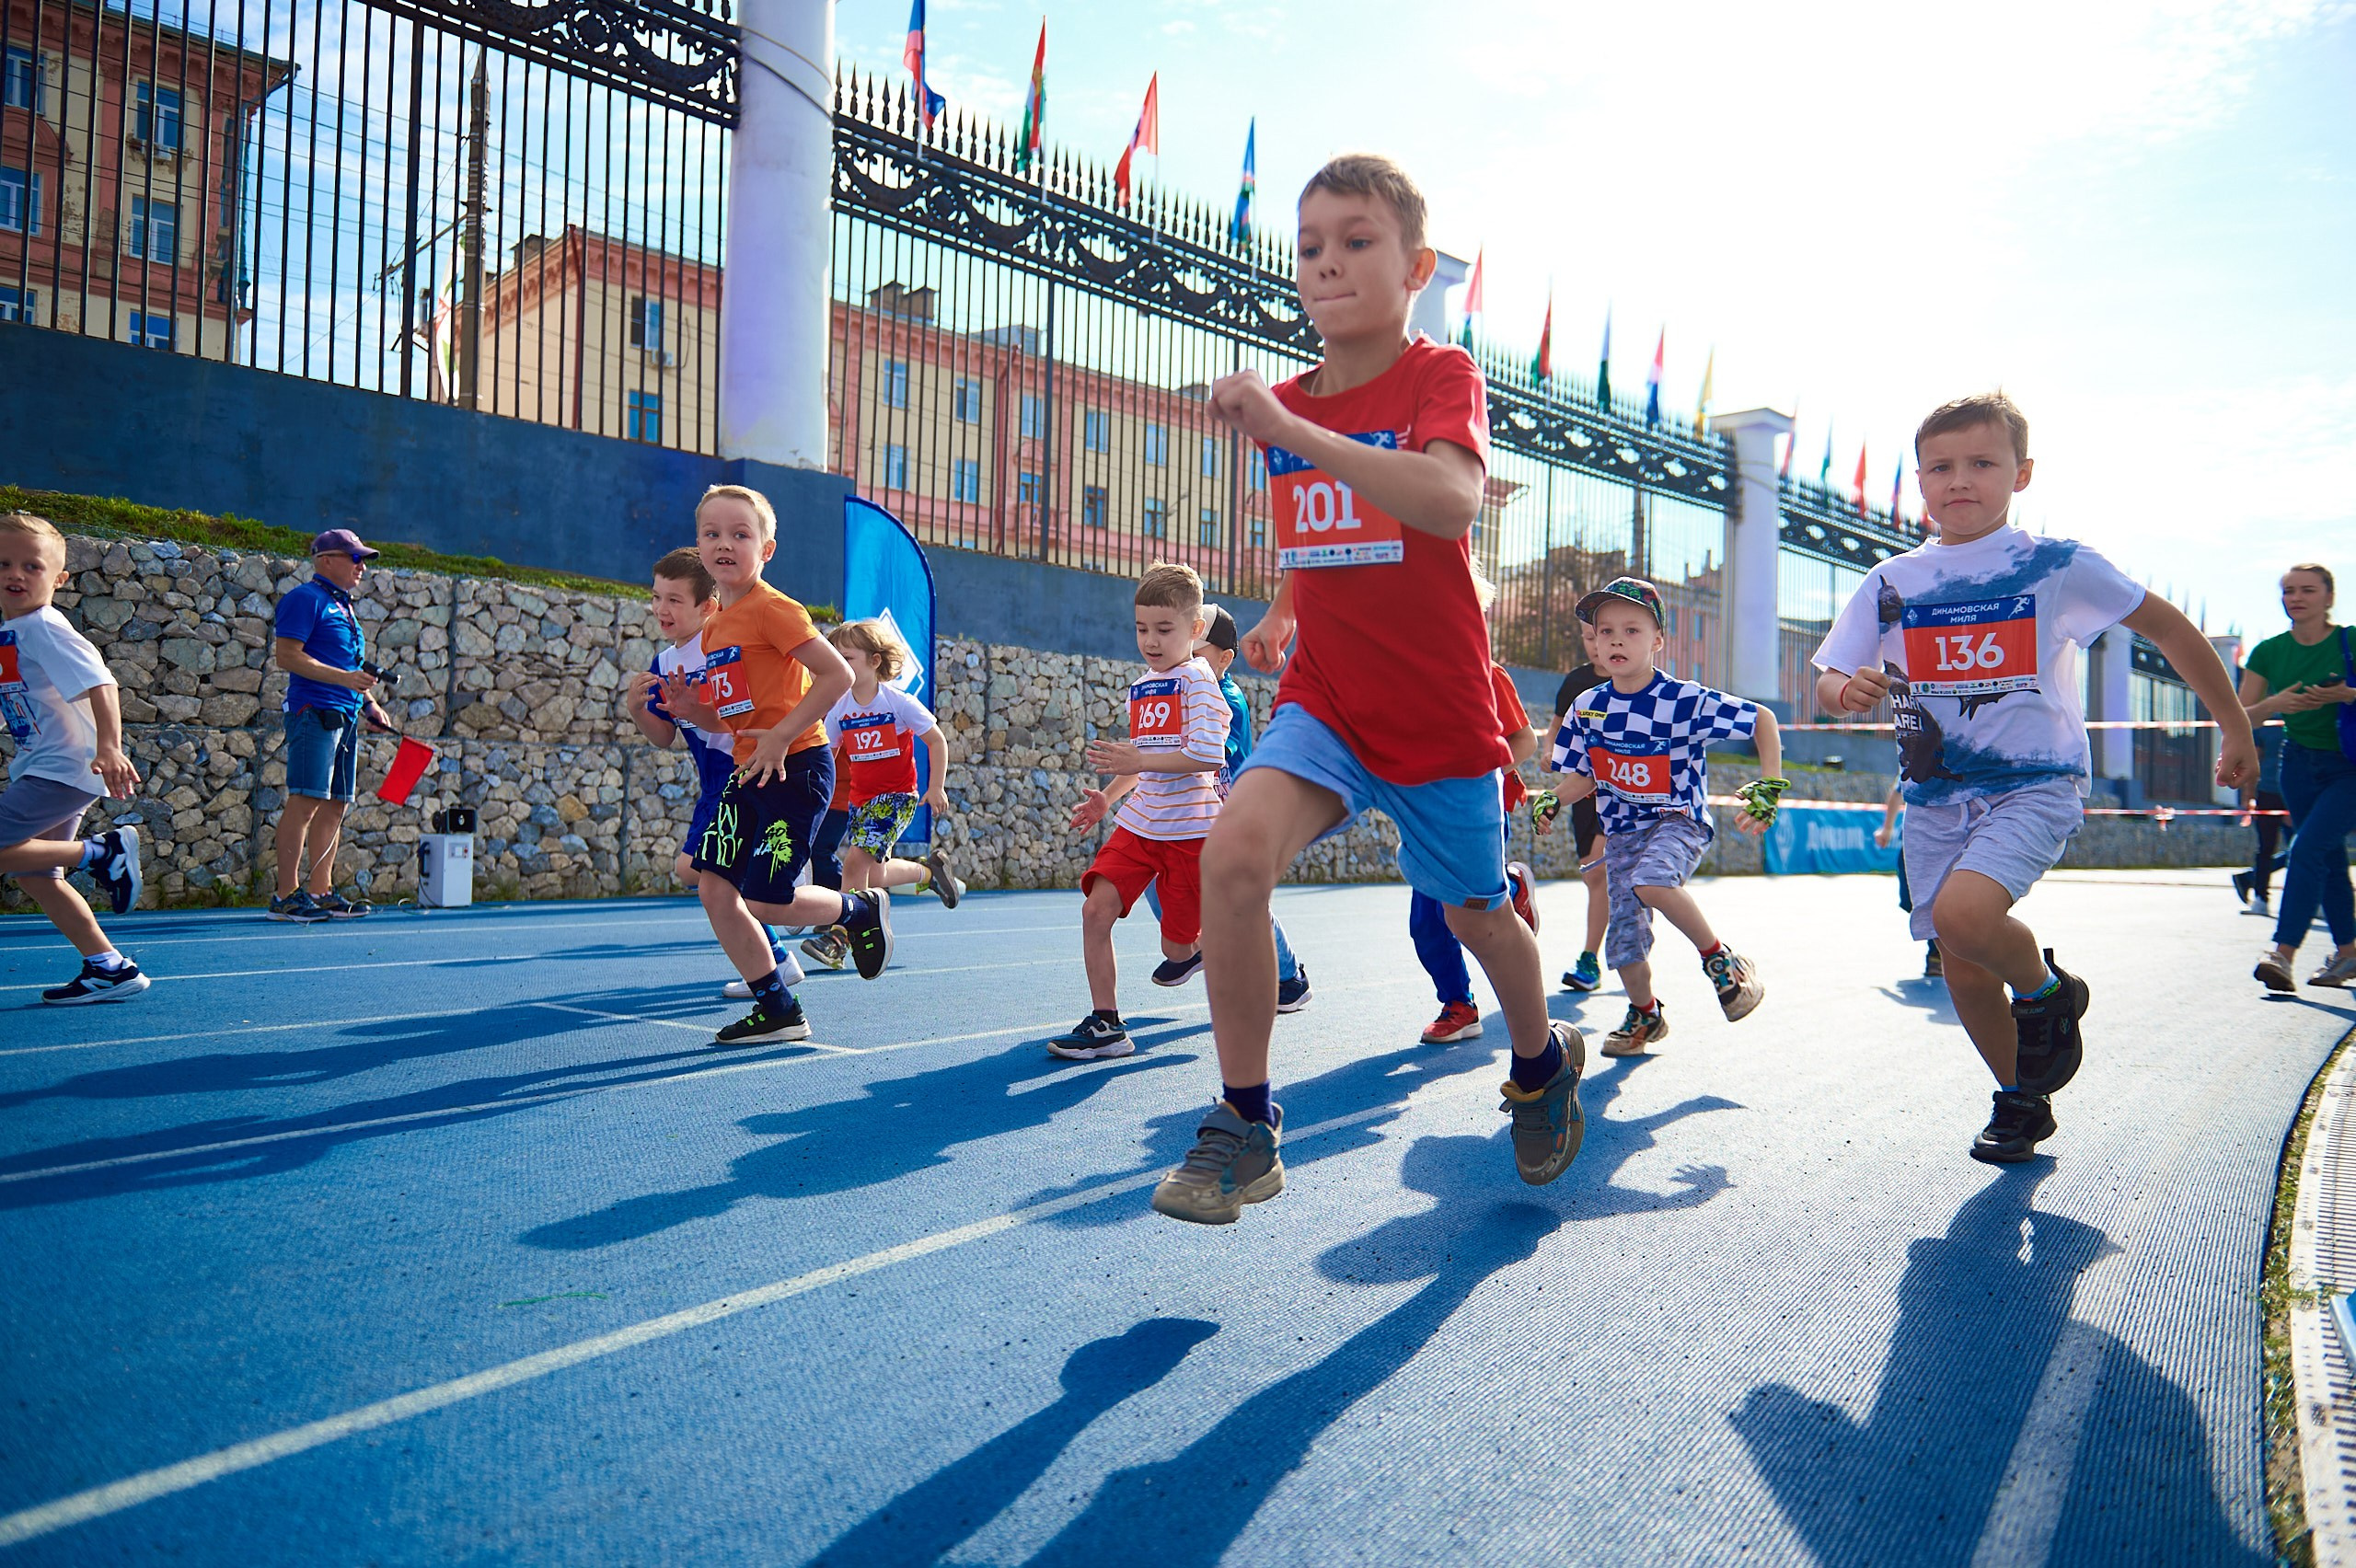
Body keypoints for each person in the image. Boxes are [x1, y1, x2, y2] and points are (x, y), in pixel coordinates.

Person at [1154, 154, 1586, 1225]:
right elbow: (1333, 529)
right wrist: (1285, 606)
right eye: (1309, 247)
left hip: (1437, 718)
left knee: (1479, 919)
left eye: (1356, 241)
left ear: (1415, 265)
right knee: (1232, 855)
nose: (1327, 263)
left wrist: (1293, 433)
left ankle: (1541, 1062)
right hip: (1326, 702)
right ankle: (1244, 1122)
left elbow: (1442, 501)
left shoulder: (1439, 377)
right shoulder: (1291, 404)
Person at [1814, 392, 2255, 1163]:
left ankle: (2049, 990)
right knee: (1957, 953)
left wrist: (2235, 721)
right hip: (1934, 792)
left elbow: (2168, 629)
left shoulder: (2056, 564)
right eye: (1940, 467)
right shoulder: (1893, 578)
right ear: (1918, 481)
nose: (1960, 480)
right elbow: (1829, 674)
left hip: (2034, 782)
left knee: (1966, 916)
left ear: (2021, 473)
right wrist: (1843, 690)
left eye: (1981, 463)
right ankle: (2020, 1096)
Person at [655, 485, 893, 1046]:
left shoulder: (775, 609)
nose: (725, 543)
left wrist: (783, 736)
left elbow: (835, 676)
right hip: (747, 772)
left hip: (798, 767)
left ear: (766, 551)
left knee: (765, 898)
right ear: (699, 545)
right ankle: (779, 1007)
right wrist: (696, 711)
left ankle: (857, 909)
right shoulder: (713, 629)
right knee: (714, 888)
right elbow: (734, 717)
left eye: (741, 534)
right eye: (712, 534)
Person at [1550, 577, 1782, 1057]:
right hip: (1621, 834)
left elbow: (1762, 719)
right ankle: (1646, 1014)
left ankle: (1724, 963)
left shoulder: (1684, 701)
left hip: (1677, 821)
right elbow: (1586, 775)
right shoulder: (1587, 708)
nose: (1616, 640)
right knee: (1625, 943)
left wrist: (1770, 784)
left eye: (1632, 630)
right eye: (1605, 630)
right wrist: (1554, 799)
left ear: (1657, 641)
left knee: (1652, 881)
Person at [1053, 562, 1229, 1060]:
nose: (1150, 640)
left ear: (1195, 631)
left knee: (1177, 953)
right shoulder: (1144, 684)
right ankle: (1106, 1025)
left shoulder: (1198, 680)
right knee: (1095, 910)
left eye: (1164, 629)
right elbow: (1146, 757)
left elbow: (1207, 754)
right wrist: (1109, 797)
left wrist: (1141, 758)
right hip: (1139, 825)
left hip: (1191, 834)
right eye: (1141, 628)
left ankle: (1216, 949)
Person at [621, 547, 803, 1002]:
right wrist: (636, 711)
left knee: (700, 872)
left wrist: (696, 710)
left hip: (740, 771)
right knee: (704, 876)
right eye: (657, 597)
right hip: (712, 779)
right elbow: (663, 736)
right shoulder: (663, 663)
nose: (662, 609)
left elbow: (730, 721)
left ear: (709, 605)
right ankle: (777, 957)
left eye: (675, 600)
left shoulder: (720, 649)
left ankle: (778, 953)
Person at [0, 512, 149, 1001]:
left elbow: (100, 681)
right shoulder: (13, 630)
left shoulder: (43, 625)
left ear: (59, 579)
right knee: (36, 874)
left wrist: (110, 745)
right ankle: (109, 967)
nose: (14, 574)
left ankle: (101, 853)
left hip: (62, 768)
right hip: (51, 766)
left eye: (31, 566)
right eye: (3, 564)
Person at [1144, 605, 1312, 1012]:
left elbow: (1212, 755)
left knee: (1245, 898)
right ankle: (1197, 944)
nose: (1188, 661)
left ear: (1224, 659)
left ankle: (1288, 978)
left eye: (1197, 654)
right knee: (1154, 876)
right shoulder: (1180, 687)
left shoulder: (1226, 699)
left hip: (1231, 815)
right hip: (1194, 814)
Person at [1414, 654, 1542, 1043]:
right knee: (1426, 922)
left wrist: (1476, 775)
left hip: (1478, 812)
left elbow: (1525, 740)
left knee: (1465, 915)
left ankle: (1511, 887)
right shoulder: (1408, 677)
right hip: (1428, 817)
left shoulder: (1486, 673)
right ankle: (1460, 1006)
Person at [270, 527, 397, 922]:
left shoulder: (343, 605)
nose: (361, 566)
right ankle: (285, 895)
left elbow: (350, 665)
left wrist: (370, 703)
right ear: (325, 560)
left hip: (344, 712)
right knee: (306, 801)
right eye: (354, 557)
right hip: (313, 710)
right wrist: (347, 682)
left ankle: (320, 890)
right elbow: (287, 657)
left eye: (363, 559)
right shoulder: (304, 599)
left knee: (337, 805)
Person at [2243, 563, 2356, 989]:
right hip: (2298, 764)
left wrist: (2347, 694)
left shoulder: (2351, 639)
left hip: (2349, 766)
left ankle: (2282, 953)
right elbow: (2241, 712)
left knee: (2307, 849)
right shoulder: (2269, 651)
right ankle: (2347, 954)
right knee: (2327, 858)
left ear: (2329, 597)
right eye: (2288, 591)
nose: (2297, 597)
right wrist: (2278, 703)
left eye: (2308, 590)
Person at [814, 618, 963, 919]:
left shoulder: (899, 703)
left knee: (854, 863)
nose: (840, 665)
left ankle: (843, 933)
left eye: (847, 659)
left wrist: (936, 787)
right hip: (861, 800)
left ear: (874, 661)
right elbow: (826, 756)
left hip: (896, 798)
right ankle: (928, 871)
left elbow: (937, 741)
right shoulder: (839, 707)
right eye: (835, 658)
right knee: (875, 874)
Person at [1539, 615, 1611, 994]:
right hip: (1583, 792)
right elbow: (1556, 727)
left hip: (1623, 797)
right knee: (1592, 873)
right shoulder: (1577, 684)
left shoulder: (1634, 681)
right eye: (1589, 637)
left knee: (1598, 873)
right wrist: (1550, 750)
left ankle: (1590, 960)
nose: (1596, 644)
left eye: (1602, 636)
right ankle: (1634, 922)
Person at [1875, 782, 1942, 977]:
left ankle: (1937, 955)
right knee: (1908, 900)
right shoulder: (1915, 755)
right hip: (1915, 840)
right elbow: (1898, 793)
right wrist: (1887, 828)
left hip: (1948, 841)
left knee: (1939, 899)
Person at [2232, 717, 2288, 918]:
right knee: (2280, 848)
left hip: (2281, 792)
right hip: (2279, 792)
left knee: (2275, 849)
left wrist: (2249, 795)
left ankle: (2255, 888)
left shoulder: (2267, 724)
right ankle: (2259, 895)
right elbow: (2254, 760)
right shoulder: (2267, 725)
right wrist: (2250, 796)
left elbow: (2253, 762)